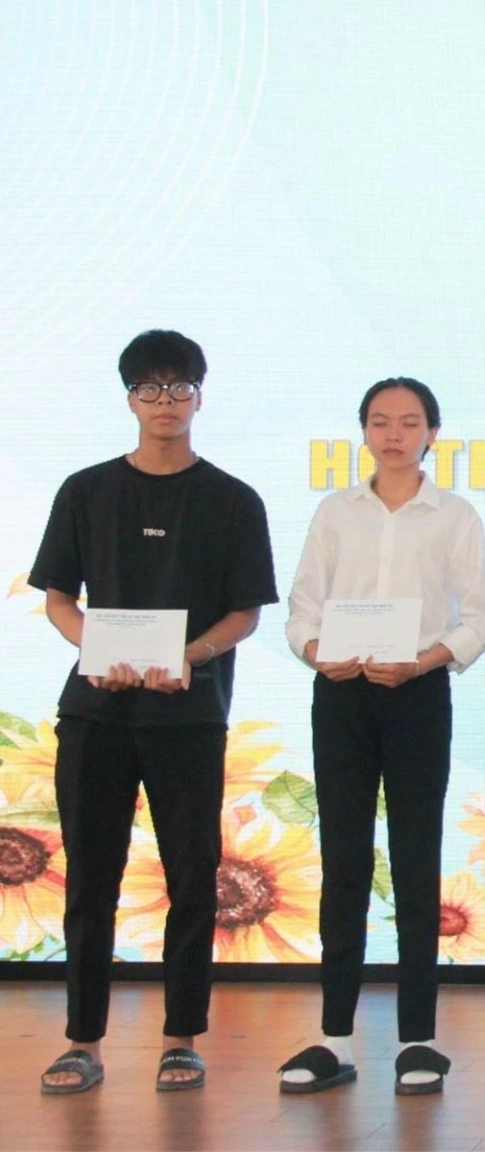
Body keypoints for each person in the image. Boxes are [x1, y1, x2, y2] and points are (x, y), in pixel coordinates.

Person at [32, 330, 277, 1094]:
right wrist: (96, 646)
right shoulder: (86, 491)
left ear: (200, 396)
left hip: (189, 716)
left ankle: (181, 1039)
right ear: (129, 398)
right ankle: (83, 1042)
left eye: (178, 387)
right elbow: (58, 599)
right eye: (150, 388)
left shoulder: (233, 500)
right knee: (90, 881)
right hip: (95, 713)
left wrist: (192, 655)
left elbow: (246, 612)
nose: (164, 401)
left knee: (193, 880)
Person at [279, 378, 485, 1095]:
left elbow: (481, 614)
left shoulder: (454, 515)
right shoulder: (335, 510)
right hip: (341, 694)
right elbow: (302, 605)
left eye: (410, 422)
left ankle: (417, 1039)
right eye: (380, 422)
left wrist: (426, 660)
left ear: (433, 432)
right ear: (364, 431)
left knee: (415, 858)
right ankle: (334, 1037)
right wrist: (317, 651)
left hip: (418, 694)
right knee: (343, 859)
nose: (395, 434)